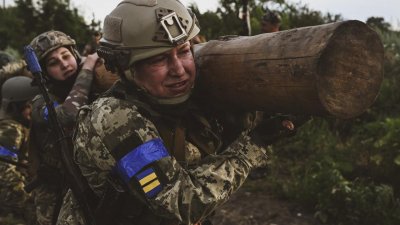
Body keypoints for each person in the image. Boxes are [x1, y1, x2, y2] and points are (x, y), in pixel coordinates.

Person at [56, 1, 297, 225]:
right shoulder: (114, 118)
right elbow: (183, 202)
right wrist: (254, 145)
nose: (180, 70)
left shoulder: (168, 98)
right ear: (126, 68)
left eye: (183, 51)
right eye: (158, 60)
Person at [28, 30, 100, 225]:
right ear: (44, 72)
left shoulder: (97, 83)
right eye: (53, 63)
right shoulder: (40, 103)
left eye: (66, 55)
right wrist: (89, 67)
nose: (63, 64)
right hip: (56, 193)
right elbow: (68, 116)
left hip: (94, 182)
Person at [0, 76, 40, 224]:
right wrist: (30, 201)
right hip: (12, 214)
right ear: (15, 107)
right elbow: (4, 171)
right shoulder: (10, 129)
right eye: (28, 105)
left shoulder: (18, 127)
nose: (33, 109)